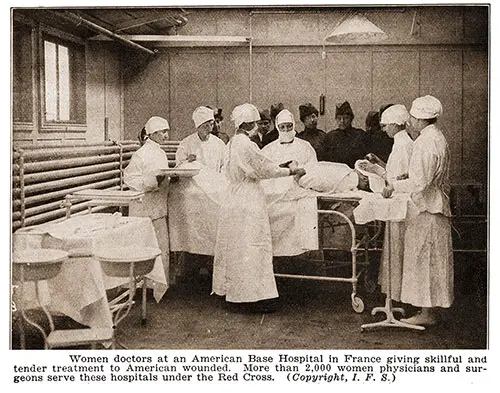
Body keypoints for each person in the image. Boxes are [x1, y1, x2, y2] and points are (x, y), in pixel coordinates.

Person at [212, 103, 306, 312]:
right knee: (252, 247)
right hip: (248, 199)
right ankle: (251, 298)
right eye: (255, 123)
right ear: (249, 124)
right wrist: (290, 172)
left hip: (235, 198)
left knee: (237, 248)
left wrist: (280, 167)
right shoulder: (245, 144)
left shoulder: (232, 143)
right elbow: (262, 169)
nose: (258, 127)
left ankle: (236, 294)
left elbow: (259, 165)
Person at [382, 95, 453, 326]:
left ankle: (427, 313)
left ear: (420, 118)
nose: (410, 120)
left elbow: (420, 183)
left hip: (427, 209)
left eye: (412, 116)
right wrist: (408, 177)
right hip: (433, 207)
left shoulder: (425, 142)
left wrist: (394, 184)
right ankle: (428, 309)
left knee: (424, 261)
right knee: (430, 261)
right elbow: (425, 176)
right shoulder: (437, 137)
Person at [361, 104, 414, 302]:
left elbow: (395, 181)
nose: (383, 130)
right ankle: (398, 295)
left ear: (394, 124)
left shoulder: (401, 146)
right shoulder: (405, 143)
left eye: (385, 126)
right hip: (403, 204)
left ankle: (397, 296)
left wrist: (375, 170)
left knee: (398, 250)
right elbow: (397, 172)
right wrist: (380, 164)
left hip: (400, 206)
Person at [124, 116, 171, 281]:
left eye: (167, 132)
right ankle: (141, 287)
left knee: (159, 247)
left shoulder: (160, 152)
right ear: (153, 133)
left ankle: (157, 285)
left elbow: (162, 176)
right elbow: (129, 178)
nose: (166, 135)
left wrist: (170, 178)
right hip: (143, 209)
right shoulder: (141, 154)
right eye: (164, 132)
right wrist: (153, 182)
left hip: (157, 208)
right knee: (143, 247)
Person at [175, 106, 227, 172]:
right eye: (206, 126)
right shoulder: (186, 144)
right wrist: (187, 162)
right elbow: (178, 168)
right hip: (193, 181)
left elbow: (224, 166)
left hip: (213, 180)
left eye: (211, 124)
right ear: (198, 126)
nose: (210, 129)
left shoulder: (219, 144)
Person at [319, 101, 369, 167]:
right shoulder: (330, 136)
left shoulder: (360, 135)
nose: (342, 121)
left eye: (346, 118)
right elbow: (324, 160)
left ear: (351, 119)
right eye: (339, 118)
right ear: (336, 119)